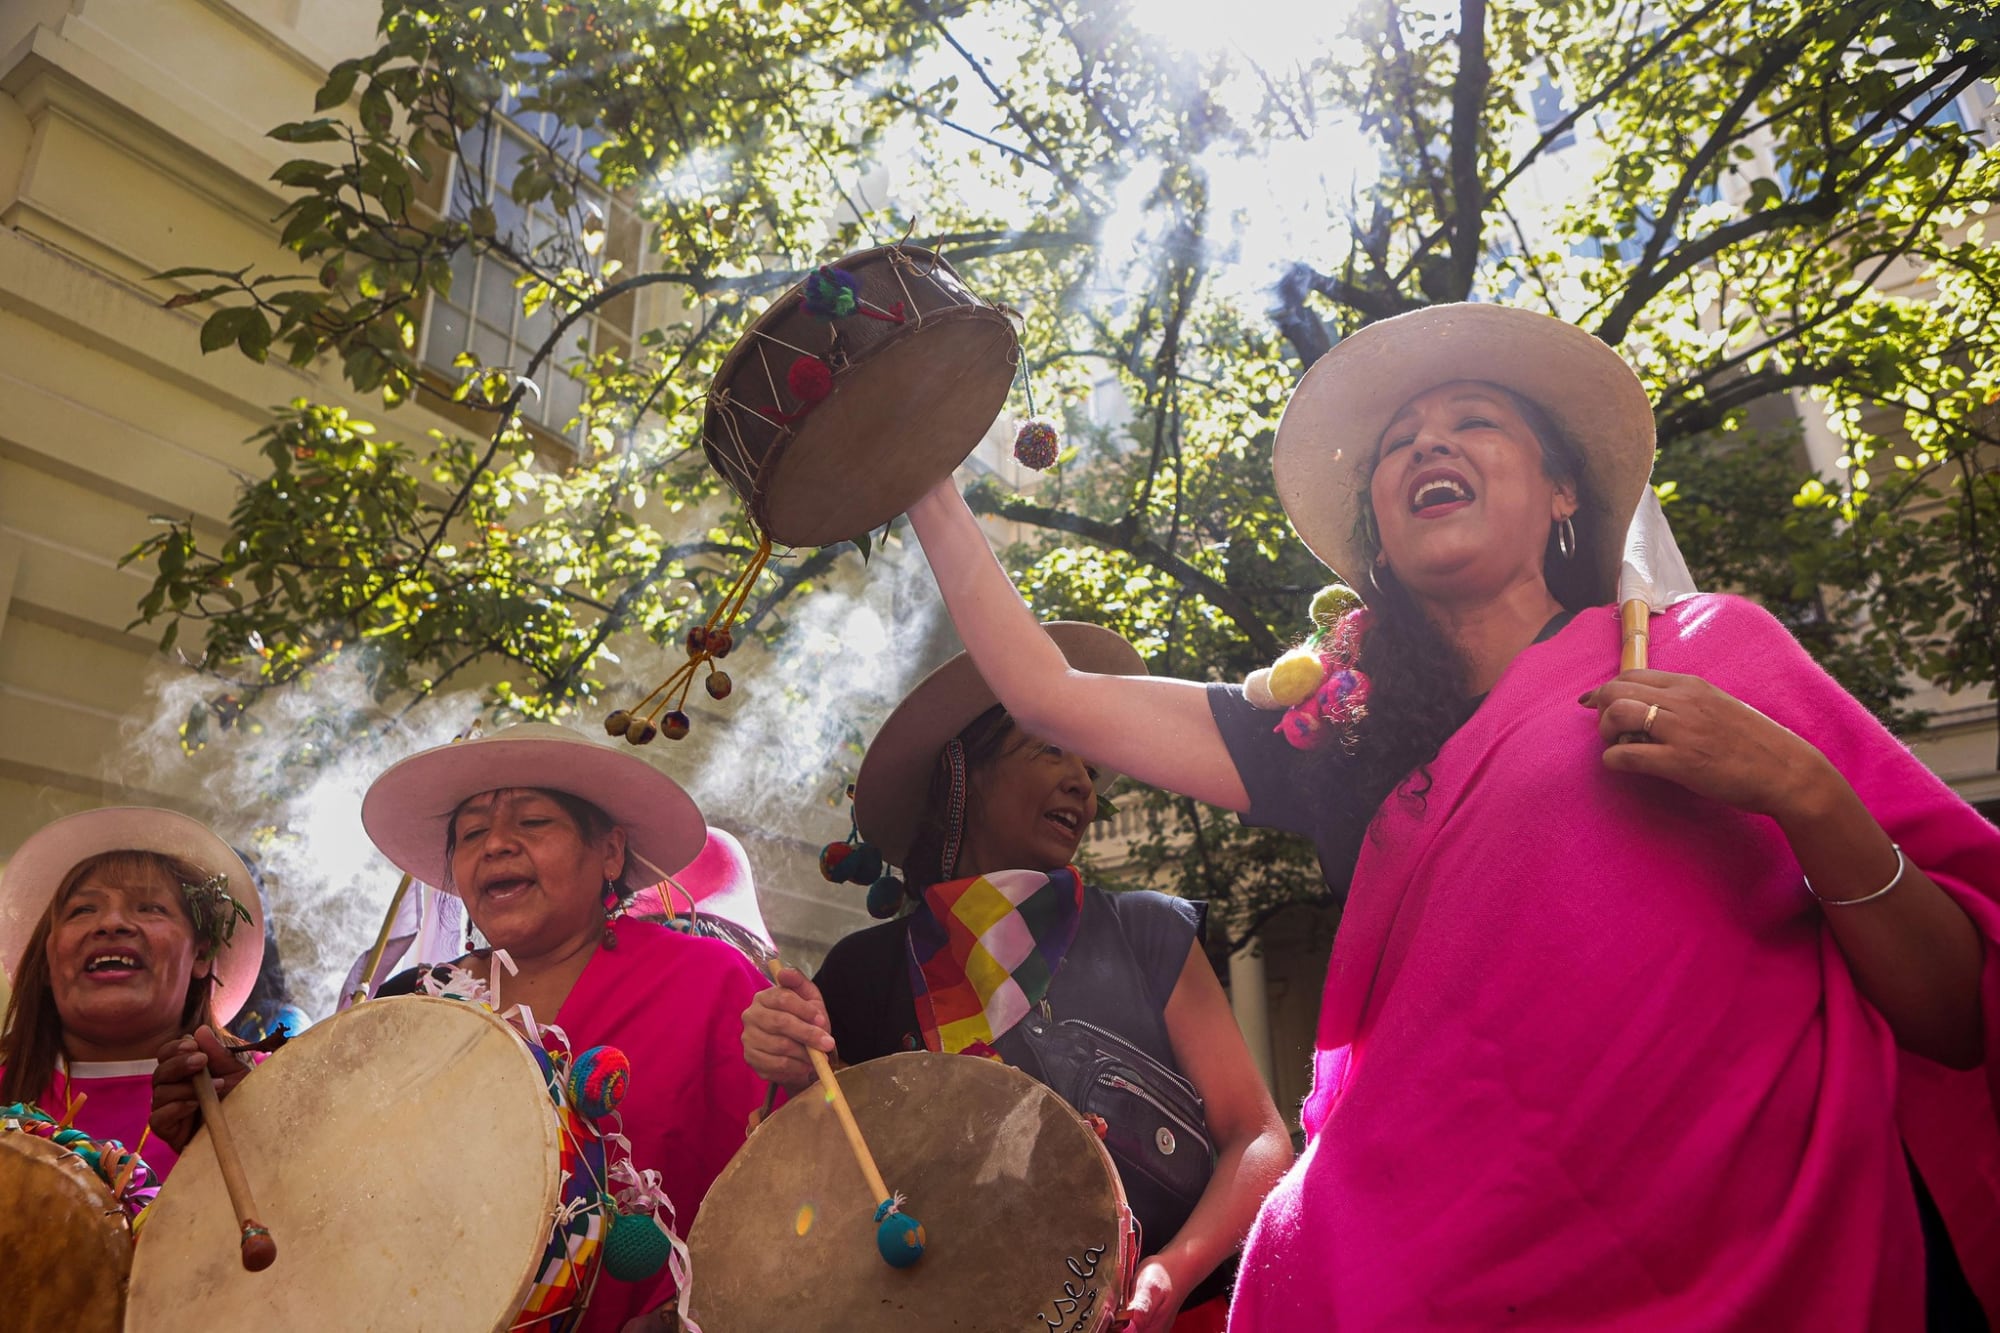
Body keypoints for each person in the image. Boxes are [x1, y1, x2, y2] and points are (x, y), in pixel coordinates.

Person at [897, 303, 2000, 1329]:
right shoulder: (1338, 732)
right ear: (1380, 519)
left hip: (1774, 1274)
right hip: (1423, 1288)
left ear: (1561, 491)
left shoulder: (1706, 651)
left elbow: (1955, 1009)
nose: (1427, 445)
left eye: (1473, 421)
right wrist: (924, 485)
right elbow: (1051, 694)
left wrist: (1803, 793)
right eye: (1397, 442)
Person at [742, 624, 1294, 1333]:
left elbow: (1257, 1134)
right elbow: (824, 1186)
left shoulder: (1148, 932)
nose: (1083, 787)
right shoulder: (863, 972)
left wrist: (1174, 1267)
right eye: (1050, 749)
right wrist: (791, 1068)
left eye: (1090, 768)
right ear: (960, 777)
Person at [150, 722, 769, 1333]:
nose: (495, 845)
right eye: (472, 833)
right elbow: (341, 1209)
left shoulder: (711, 982)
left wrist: (691, 1312)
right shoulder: (409, 1007)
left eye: (532, 822)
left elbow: (781, 1189)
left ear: (608, 850)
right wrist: (247, 1126)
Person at [1, 806, 262, 1182]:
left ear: (202, 954)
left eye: (150, 907)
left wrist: (262, 1128)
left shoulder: (268, 1086)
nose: (111, 923)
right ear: (47, 960)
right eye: (82, 910)